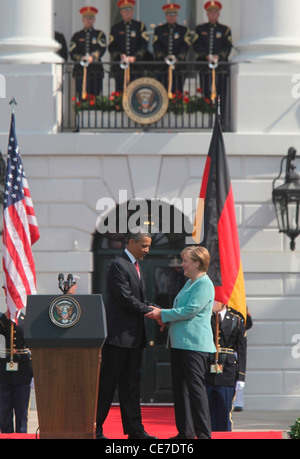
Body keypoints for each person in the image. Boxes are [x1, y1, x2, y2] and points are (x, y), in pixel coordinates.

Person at [146, 246, 215, 440]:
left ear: (196, 263)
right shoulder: (190, 283)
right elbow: (181, 309)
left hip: (194, 346)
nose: (182, 264)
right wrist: (164, 318)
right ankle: (185, 432)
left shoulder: (204, 284)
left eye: (185, 260)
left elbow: (190, 310)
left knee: (195, 390)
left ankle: (203, 434)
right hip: (179, 344)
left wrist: (162, 314)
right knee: (181, 390)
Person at [96, 230, 158, 440]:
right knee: (107, 385)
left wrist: (160, 311)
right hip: (118, 338)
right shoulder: (118, 265)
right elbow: (126, 299)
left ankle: (135, 431)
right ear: (131, 242)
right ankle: (95, 429)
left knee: (131, 386)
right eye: (143, 246)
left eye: (148, 246)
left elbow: (141, 299)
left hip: (134, 338)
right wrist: (152, 312)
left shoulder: (135, 266)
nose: (147, 250)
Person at [205, 301, 247, 432]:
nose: (213, 302)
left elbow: (241, 350)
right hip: (207, 369)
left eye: (216, 299)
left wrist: (241, 376)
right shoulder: (205, 317)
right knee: (208, 412)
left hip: (227, 371)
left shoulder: (236, 318)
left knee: (224, 411)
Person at [193, 1, 232, 119]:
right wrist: (206, 55)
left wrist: (218, 56)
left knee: (221, 93)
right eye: (210, 13)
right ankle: (207, 117)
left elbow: (228, 46)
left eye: (215, 13)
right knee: (206, 92)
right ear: (207, 14)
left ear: (218, 14)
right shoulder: (200, 28)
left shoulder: (225, 29)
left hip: (220, 68)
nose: (213, 15)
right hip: (205, 67)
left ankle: (221, 119)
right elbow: (196, 45)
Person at [0, 310, 33, 433]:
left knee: (22, 412)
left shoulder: (27, 319)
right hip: (3, 371)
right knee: (4, 412)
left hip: (23, 370)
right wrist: (5, 317)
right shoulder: (2, 319)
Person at [109, 0, 152, 93]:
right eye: (124, 10)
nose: (127, 12)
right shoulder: (116, 28)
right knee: (120, 92)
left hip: (136, 68)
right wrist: (120, 55)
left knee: (135, 92)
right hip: (120, 68)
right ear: (121, 12)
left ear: (133, 11)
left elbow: (144, 44)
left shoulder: (140, 26)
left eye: (129, 10)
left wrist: (135, 57)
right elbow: (111, 47)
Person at [153, 3, 191, 94]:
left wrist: (178, 58)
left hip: (178, 68)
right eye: (169, 14)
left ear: (177, 15)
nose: (171, 17)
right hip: (162, 68)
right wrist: (164, 57)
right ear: (166, 15)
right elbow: (156, 46)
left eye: (173, 14)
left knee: (177, 93)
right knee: (162, 92)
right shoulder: (159, 30)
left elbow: (186, 46)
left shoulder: (183, 30)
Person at [69, 6, 107, 98]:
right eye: (86, 18)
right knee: (81, 96)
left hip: (95, 71)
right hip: (80, 71)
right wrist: (81, 58)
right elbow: (72, 53)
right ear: (83, 20)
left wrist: (92, 57)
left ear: (94, 20)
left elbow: (102, 48)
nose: (88, 20)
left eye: (90, 18)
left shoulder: (99, 34)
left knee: (95, 96)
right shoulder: (77, 35)